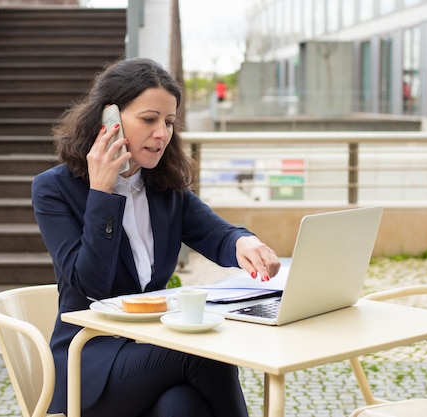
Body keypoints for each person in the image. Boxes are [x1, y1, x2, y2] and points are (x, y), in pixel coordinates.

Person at [31, 57, 280, 417]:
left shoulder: (164, 188)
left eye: (169, 122)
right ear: (109, 120)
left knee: (182, 407)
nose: (162, 133)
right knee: (203, 351)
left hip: (152, 349)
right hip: (90, 364)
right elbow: (91, 285)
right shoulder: (53, 190)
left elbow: (218, 234)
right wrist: (103, 193)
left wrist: (245, 243)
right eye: (149, 120)